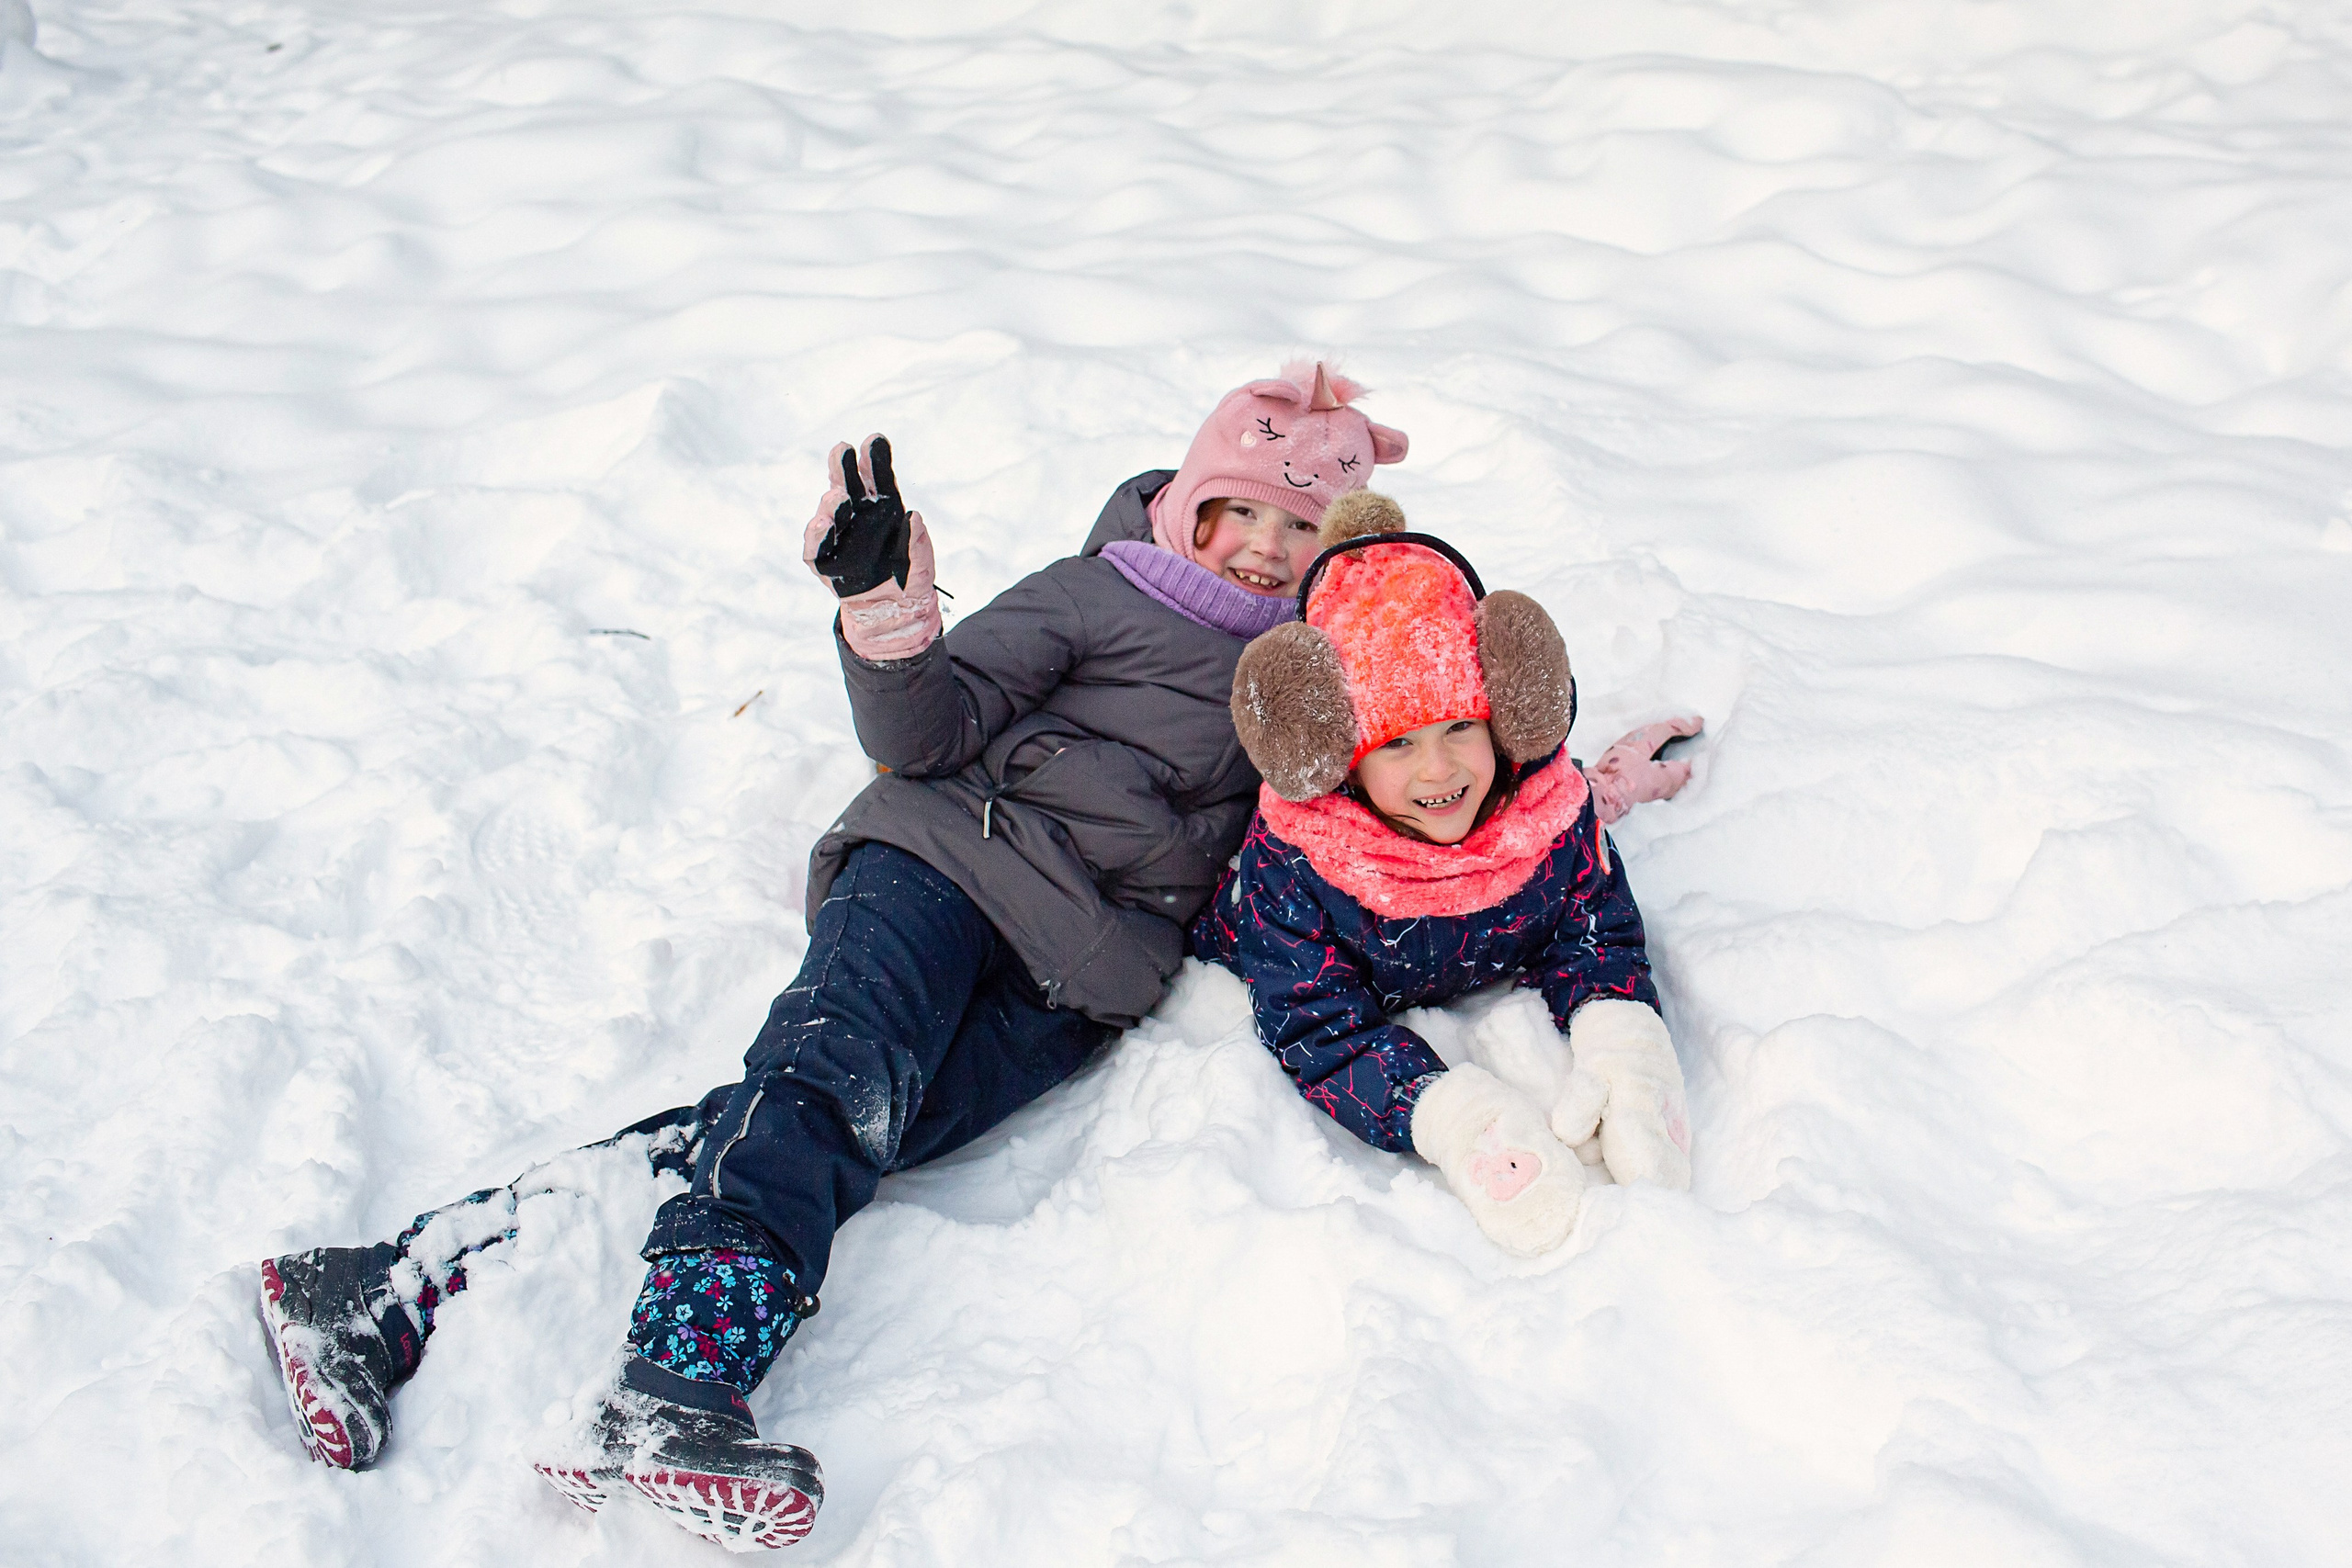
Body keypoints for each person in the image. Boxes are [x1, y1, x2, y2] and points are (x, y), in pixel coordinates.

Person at [255, 363, 1412, 1551]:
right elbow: (926, 731)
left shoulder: (1312, 697)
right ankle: (672, 1380)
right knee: (825, 1091)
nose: (1269, 549)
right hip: (941, 868)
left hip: (1064, 990)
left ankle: (379, 1291)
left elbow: (1387, 806)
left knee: (808, 1126)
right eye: (1248, 513)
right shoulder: (1098, 594)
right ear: (1192, 507)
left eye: (1304, 527)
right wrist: (885, 616)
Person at [1196, 488, 1701, 1258]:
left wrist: (1622, 1036)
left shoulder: (1548, 813)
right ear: (1342, 756)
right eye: (1396, 743)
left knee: (1602, 792)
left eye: (1461, 726)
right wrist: (1451, 1113)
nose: (1440, 769)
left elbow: (1592, 924)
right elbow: (1318, 1026)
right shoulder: (1300, 864)